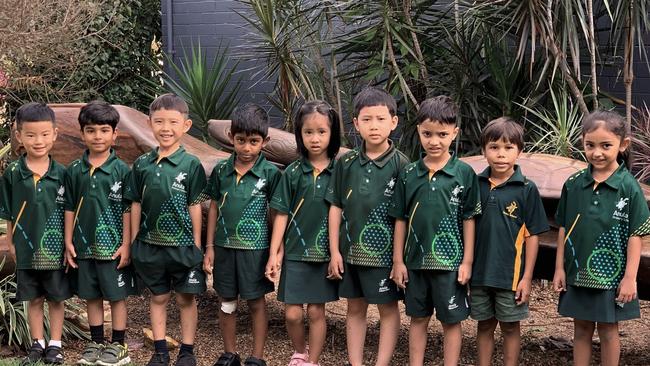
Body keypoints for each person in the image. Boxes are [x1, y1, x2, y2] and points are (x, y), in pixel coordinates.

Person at [553, 110, 650, 366]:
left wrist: (630, 278)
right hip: (577, 272)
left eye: (606, 145)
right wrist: (559, 268)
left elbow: (636, 235)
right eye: (590, 145)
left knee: (608, 331)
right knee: (581, 329)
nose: (597, 152)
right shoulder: (573, 184)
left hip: (612, 277)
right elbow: (563, 227)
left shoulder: (629, 187)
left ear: (623, 144)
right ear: (582, 142)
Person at [389, 96, 480, 366]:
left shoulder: (464, 173)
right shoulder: (408, 174)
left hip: (450, 265)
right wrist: (397, 261)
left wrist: (467, 262)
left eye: (442, 134)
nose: (435, 141)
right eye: (428, 134)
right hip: (415, 263)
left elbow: (469, 218)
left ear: (455, 133)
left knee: (451, 321)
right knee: (417, 318)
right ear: (418, 130)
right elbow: (400, 218)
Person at [326, 87, 409, 366]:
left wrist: (398, 260)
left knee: (387, 309)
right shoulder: (345, 162)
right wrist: (335, 251)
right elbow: (335, 205)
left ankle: (381, 363)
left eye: (381, 118)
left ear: (394, 122)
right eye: (367, 119)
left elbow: (403, 217)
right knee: (355, 306)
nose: (374, 126)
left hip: (385, 256)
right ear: (356, 123)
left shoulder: (402, 165)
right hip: (350, 253)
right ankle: (356, 363)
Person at [124, 94, 208, 366]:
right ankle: (159, 350)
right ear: (149, 123)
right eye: (159, 122)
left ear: (186, 125)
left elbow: (195, 205)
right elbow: (134, 203)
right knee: (158, 297)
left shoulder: (191, 164)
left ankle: (187, 350)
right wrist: (135, 239)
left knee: (185, 298)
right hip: (150, 245)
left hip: (183, 246)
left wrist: (197, 243)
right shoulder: (142, 164)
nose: (166, 128)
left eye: (173, 122)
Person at [265, 101, 342, 366]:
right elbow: (281, 214)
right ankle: (299, 351)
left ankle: (313, 361)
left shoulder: (339, 171)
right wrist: (275, 253)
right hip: (295, 253)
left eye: (322, 131)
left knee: (317, 312)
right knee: (293, 315)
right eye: (308, 132)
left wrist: (336, 253)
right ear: (299, 134)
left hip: (323, 254)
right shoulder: (293, 172)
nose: (315, 138)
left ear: (332, 133)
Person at [204, 103, 281, 366]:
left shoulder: (270, 173)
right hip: (224, 248)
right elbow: (213, 206)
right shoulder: (221, 171)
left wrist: (274, 251)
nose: (246, 148)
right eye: (240, 140)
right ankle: (230, 354)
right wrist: (210, 246)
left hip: (255, 250)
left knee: (256, 301)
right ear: (230, 137)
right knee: (226, 300)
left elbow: (277, 213)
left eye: (253, 141)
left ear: (265, 141)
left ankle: (257, 357)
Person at [470, 117, 549, 366]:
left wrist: (527, 277)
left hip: (510, 276)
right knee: (484, 325)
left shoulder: (526, 188)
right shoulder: (476, 184)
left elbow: (533, 236)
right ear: (483, 150)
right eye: (494, 147)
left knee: (510, 327)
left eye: (508, 147)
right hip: (479, 273)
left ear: (519, 151)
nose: (501, 154)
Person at [63, 101, 136, 366]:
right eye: (91, 130)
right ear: (82, 133)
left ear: (115, 134)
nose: (98, 136)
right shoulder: (73, 170)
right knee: (91, 296)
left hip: (113, 247)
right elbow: (69, 207)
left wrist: (127, 244)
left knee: (116, 297)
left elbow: (129, 209)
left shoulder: (122, 170)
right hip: (84, 247)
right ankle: (95, 342)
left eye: (104, 130)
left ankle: (118, 345)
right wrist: (68, 240)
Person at [0, 102, 72, 365]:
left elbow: (70, 213)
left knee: (55, 297)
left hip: (55, 250)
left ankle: (55, 344)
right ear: (19, 136)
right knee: (33, 298)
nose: (38, 141)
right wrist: (11, 243)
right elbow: (8, 212)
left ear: (54, 133)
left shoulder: (63, 174)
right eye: (30, 135)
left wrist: (68, 244)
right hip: (26, 248)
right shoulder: (12, 173)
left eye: (44, 134)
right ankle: (37, 342)